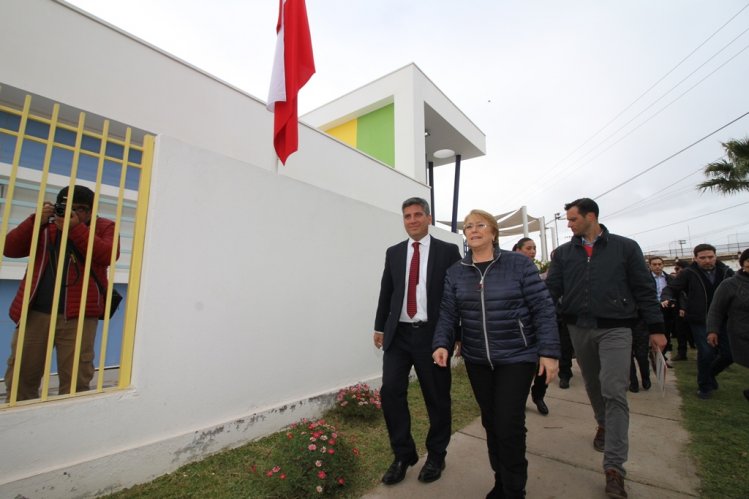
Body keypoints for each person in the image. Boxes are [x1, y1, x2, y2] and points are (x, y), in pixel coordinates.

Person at [433, 210, 559, 499]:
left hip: (517, 356)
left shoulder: (518, 265)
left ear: (493, 231)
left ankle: (515, 489)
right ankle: (501, 480)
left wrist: (549, 352)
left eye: (479, 225)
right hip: (478, 359)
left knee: (508, 422)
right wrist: (442, 343)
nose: (473, 230)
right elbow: (448, 313)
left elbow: (543, 308)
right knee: (491, 421)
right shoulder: (456, 272)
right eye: (468, 227)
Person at [545, 198, 665, 499]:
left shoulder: (626, 248)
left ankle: (614, 469)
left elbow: (644, 288)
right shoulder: (562, 254)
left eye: (572, 219)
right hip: (577, 328)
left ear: (591, 216)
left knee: (614, 390)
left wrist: (657, 328)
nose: (569, 225)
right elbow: (550, 292)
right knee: (594, 386)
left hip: (616, 328)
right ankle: (602, 424)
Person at [373, 197, 461, 485]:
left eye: (417, 215)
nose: (412, 220)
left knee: (436, 397)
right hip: (398, 334)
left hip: (432, 336)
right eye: (407, 216)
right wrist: (379, 327)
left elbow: (456, 295)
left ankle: (436, 454)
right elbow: (387, 290)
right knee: (391, 392)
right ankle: (403, 454)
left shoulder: (448, 251)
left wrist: (454, 335)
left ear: (428, 217)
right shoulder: (394, 252)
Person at [4, 185, 118, 401]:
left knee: (75, 383)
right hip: (35, 314)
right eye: (68, 207)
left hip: (79, 316)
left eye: (82, 209)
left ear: (92, 210)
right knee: (21, 377)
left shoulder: (104, 227)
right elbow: (9, 249)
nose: (75, 213)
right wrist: (35, 221)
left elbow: (108, 255)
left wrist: (75, 229)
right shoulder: (45, 225)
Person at [662, 244, 734, 399]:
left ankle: (709, 375)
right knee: (706, 352)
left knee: (729, 354)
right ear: (695, 258)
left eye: (710, 257)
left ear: (716, 256)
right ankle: (705, 386)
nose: (707, 260)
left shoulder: (726, 272)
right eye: (703, 258)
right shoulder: (689, 273)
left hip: (724, 319)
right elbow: (672, 288)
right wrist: (667, 297)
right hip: (700, 319)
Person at [706, 248, 749, 402]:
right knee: (727, 356)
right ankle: (709, 374)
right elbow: (716, 310)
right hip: (738, 332)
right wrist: (712, 330)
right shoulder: (730, 284)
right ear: (743, 263)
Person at [512, 237, 549, 415]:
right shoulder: (509, 269)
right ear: (518, 250)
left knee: (542, 365)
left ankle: (539, 395)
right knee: (524, 369)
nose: (533, 251)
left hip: (538, 326)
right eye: (528, 248)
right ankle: (520, 398)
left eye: (534, 248)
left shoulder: (533, 269)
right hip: (519, 329)